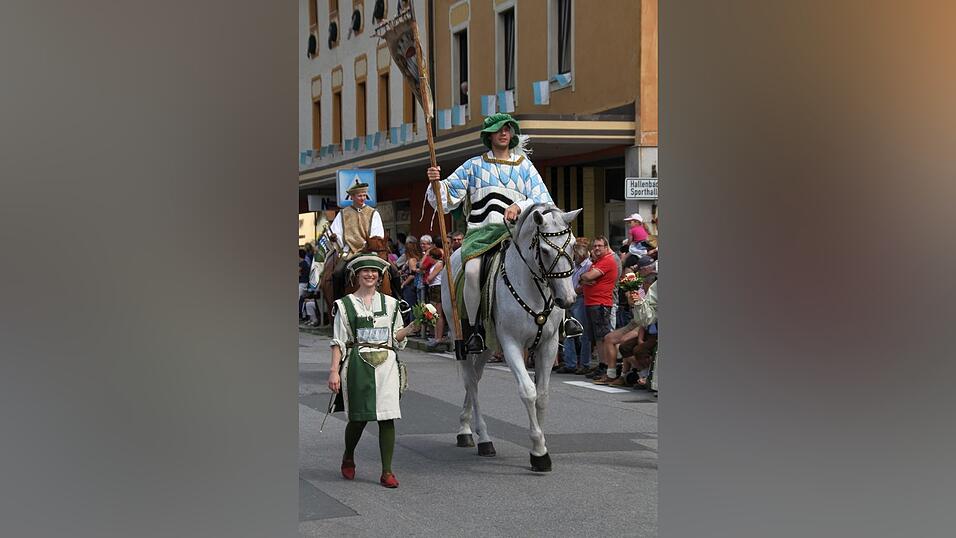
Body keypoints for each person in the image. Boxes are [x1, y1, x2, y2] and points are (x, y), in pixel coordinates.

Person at [425, 113, 576, 353]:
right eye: (498, 129)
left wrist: (521, 205)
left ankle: (564, 320)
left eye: (508, 129)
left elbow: (544, 201)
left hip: (516, 234)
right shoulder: (474, 165)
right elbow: (446, 197)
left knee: (550, 259)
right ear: (489, 136)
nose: (504, 133)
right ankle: (475, 330)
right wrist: (436, 183)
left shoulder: (524, 166)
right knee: (473, 272)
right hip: (481, 234)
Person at [327, 255, 420, 489]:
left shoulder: (391, 304)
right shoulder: (345, 305)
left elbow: (396, 336)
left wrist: (411, 327)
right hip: (357, 363)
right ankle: (348, 454)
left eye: (374, 272)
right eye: (365, 271)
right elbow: (339, 341)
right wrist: (334, 371)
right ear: (357, 275)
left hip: (386, 364)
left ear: (380, 277)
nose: (370, 275)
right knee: (359, 418)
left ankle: (387, 471)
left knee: (387, 416)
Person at [329, 180, 385, 299]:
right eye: (360, 195)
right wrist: (335, 237)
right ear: (352, 196)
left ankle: (399, 301)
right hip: (350, 251)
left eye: (364, 195)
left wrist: (370, 244)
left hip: (370, 250)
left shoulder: (373, 213)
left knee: (393, 270)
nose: (363, 198)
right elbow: (337, 231)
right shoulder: (343, 213)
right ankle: (337, 302)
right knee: (337, 273)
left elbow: (378, 233)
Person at [579, 236, 619, 382]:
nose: (596, 248)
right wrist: (584, 278)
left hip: (601, 303)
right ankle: (602, 366)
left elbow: (588, 276)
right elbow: (583, 278)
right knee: (598, 338)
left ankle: (607, 368)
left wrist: (585, 277)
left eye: (599, 246)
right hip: (592, 303)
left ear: (606, 247)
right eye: (595, 246)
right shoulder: (597, 262)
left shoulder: (608, 260)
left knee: (604, 338)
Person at [556, 241, 593, 374]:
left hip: (580, 299)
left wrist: (575, 291)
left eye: (576, 254)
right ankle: (570, 363)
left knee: (583, 333)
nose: (574, 256)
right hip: (570, 300)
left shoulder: (589, 266)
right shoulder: (573, 265)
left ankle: (585, 363)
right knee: (568, 331)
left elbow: (587, 284)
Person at [424, 247, 447, 348]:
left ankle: (439, 337)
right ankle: (436, 335)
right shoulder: (435, 264)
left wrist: (427, 279)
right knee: (435, 314)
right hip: (433, 288)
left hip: (437, 287)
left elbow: (430, 278)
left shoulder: (439, 264)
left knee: (438, 314)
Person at [399, 236, 422, 324]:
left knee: (411, 306)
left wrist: (403, 284)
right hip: (409, 286)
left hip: (409, 286)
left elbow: (412, 275)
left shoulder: (412, 260)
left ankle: (414, 326)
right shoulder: (411, 259)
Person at [298, 248, 311, 323]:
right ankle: (302, 315)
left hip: (303, 283)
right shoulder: (304, 263)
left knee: (299, 299)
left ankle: (302, 315)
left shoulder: (303, 263)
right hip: (303, 283)